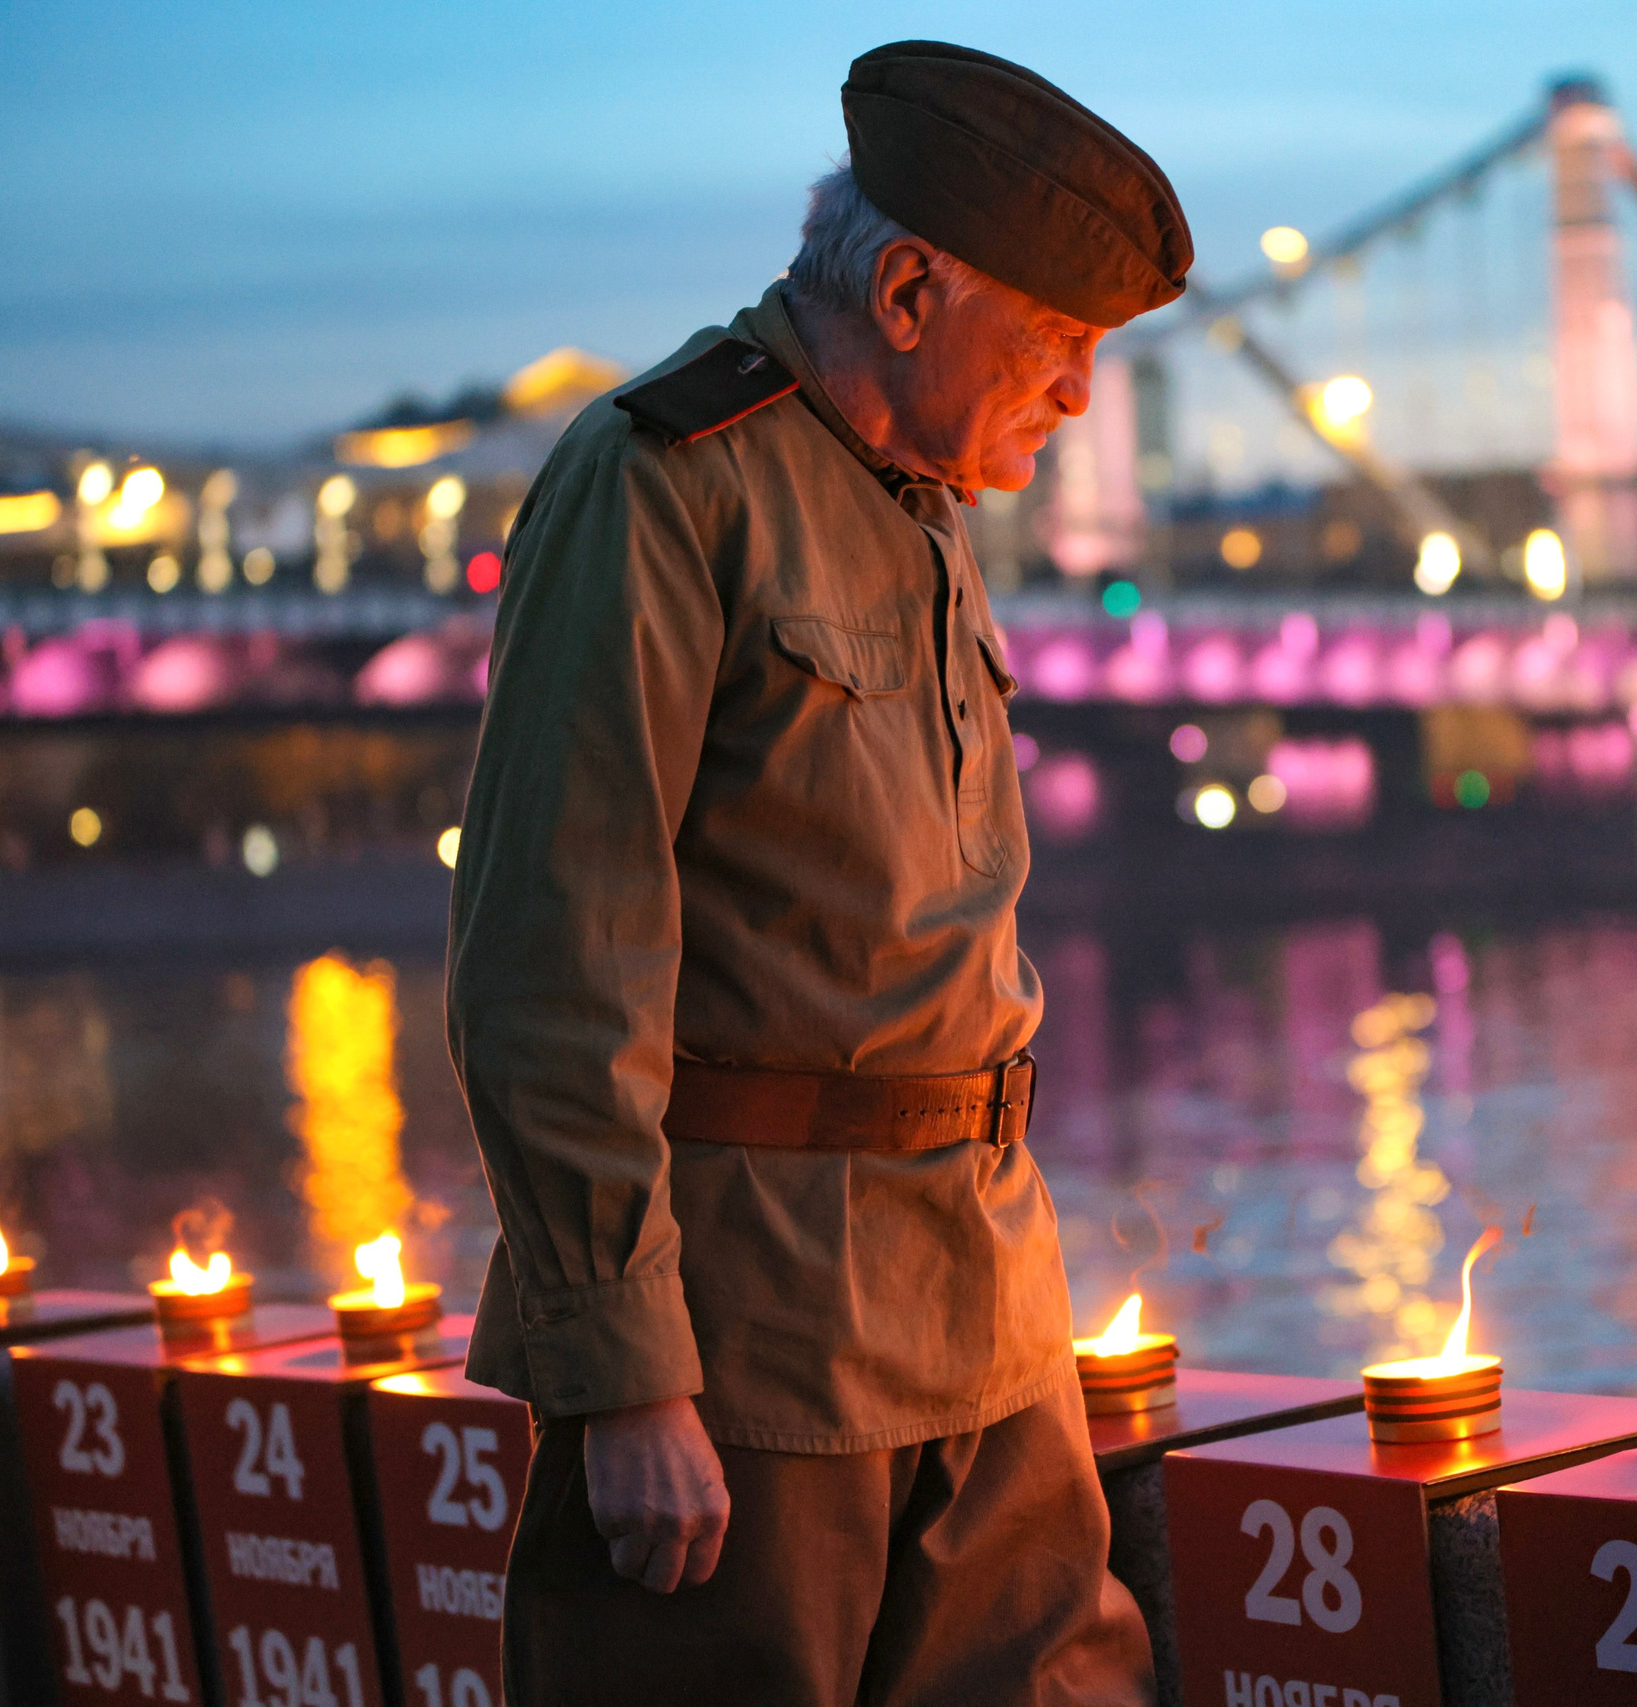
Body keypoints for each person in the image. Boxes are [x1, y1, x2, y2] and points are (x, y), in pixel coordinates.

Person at [443, 39, 1191, 1705]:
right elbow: (554, 957)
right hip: (758, 1356)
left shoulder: (916, 496)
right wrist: (626, 1374)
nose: (1079, 394)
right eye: (1060, 340)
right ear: (912, 291)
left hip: (990, 1316)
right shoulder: (663, 482)